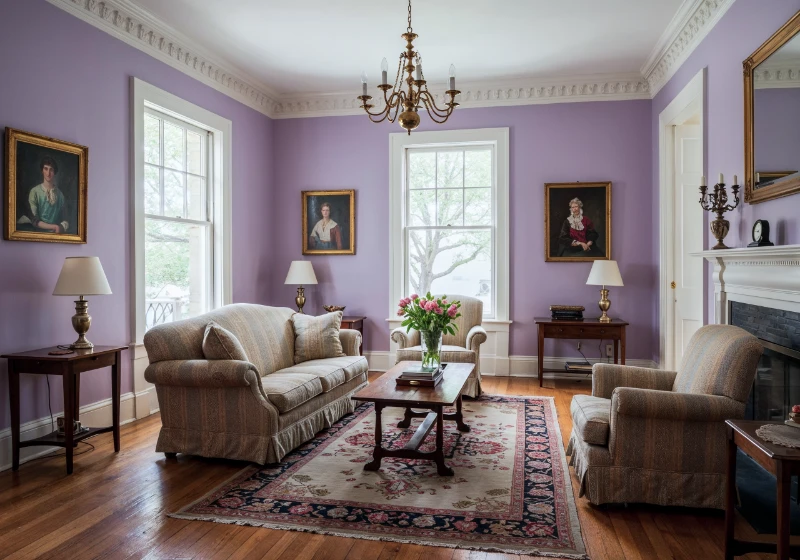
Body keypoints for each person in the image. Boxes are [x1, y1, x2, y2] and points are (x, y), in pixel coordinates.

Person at [20, 156, 69, 233]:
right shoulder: (35, 191)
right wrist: (54, 226)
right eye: (46, 169)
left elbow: (65, 219)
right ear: (42, 171)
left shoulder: (60, 195)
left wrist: (60, 227)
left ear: (54, 172)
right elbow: (34, 220)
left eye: (51, 169)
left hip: (54, 234)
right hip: (36, 232)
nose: (48, 173)